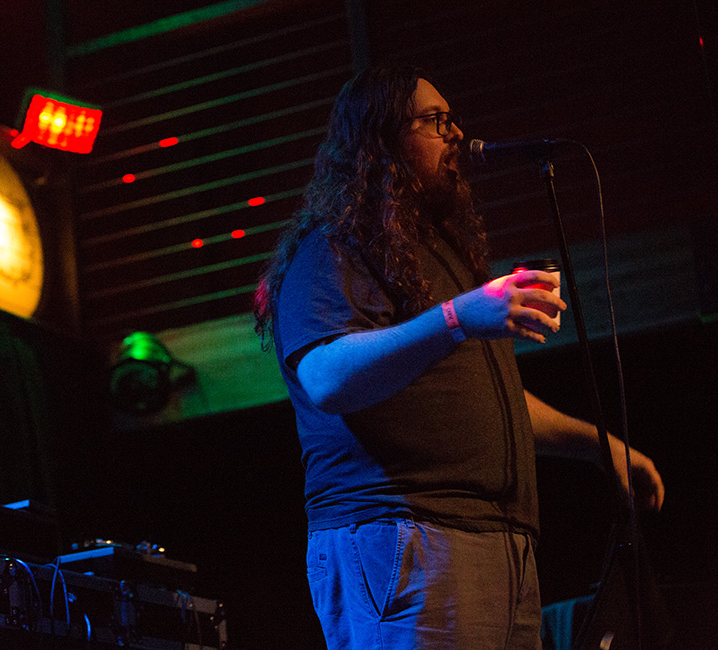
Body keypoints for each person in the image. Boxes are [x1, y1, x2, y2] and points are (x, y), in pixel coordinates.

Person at [253, 63, 665, 649]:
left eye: (452, 119)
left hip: (494, 543)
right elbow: (326, 375)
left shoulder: (435, 251)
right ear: (380, 140)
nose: (455, 135)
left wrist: (598, 445)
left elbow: (490, 399)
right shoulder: (335, 245)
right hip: (404, 535)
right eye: (433, 120)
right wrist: (453, 319)